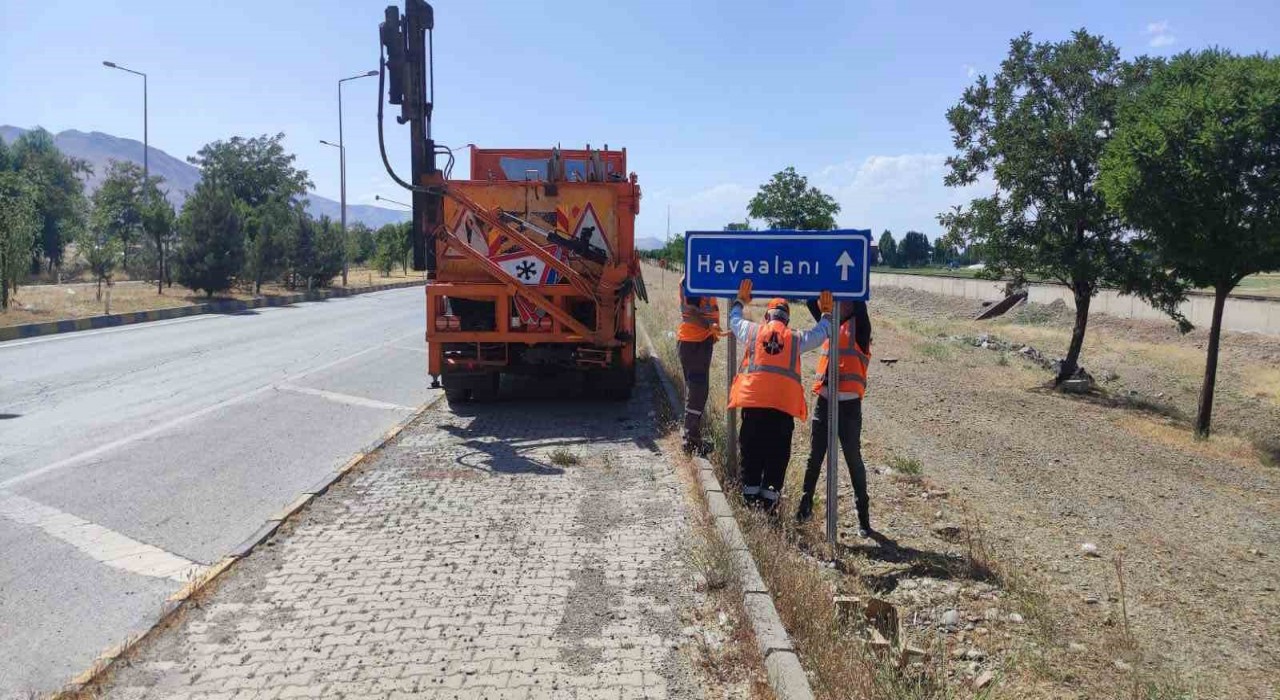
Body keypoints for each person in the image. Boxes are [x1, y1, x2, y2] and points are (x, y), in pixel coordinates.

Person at [728, 279, 832, 513]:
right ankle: (769, 509)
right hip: (782, 414)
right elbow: (822, 332)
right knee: (776, 459)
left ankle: (749, 508)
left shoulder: (753, 332)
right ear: (787, 320)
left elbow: (733, 321)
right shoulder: (795, 339)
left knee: (751, 456)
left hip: (754, 409)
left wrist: (739, 302)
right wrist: (826, 313)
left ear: (767, 317)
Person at [796, 298, 873, 536]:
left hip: (849, 406)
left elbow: (859, 299)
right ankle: (804, 506)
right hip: (825, 401)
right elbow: (811, 300)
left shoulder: (861, 328)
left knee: (853, 460)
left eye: (846, 300)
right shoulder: (828, 323)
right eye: (838, 300)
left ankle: (863, 518)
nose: (842, 304)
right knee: (814, 457)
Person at [678, 276, 721, 454]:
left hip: (696, 341)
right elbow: (691, 310)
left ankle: (693, 437)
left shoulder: (699, 274)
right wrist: (709, 325)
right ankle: (690, 441)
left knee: (696, 390)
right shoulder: (693, 277)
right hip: (695, 342)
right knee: (698, 392)